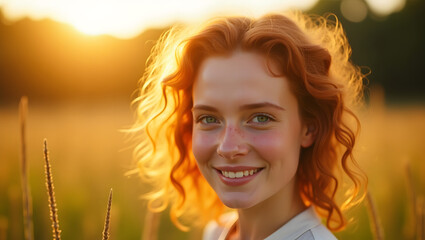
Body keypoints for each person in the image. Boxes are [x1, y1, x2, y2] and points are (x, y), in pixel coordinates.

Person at [130, 11, 367, 240]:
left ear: (309, 128)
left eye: (261, 118)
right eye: (208, 118)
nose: (228, 147)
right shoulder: (215, 232)